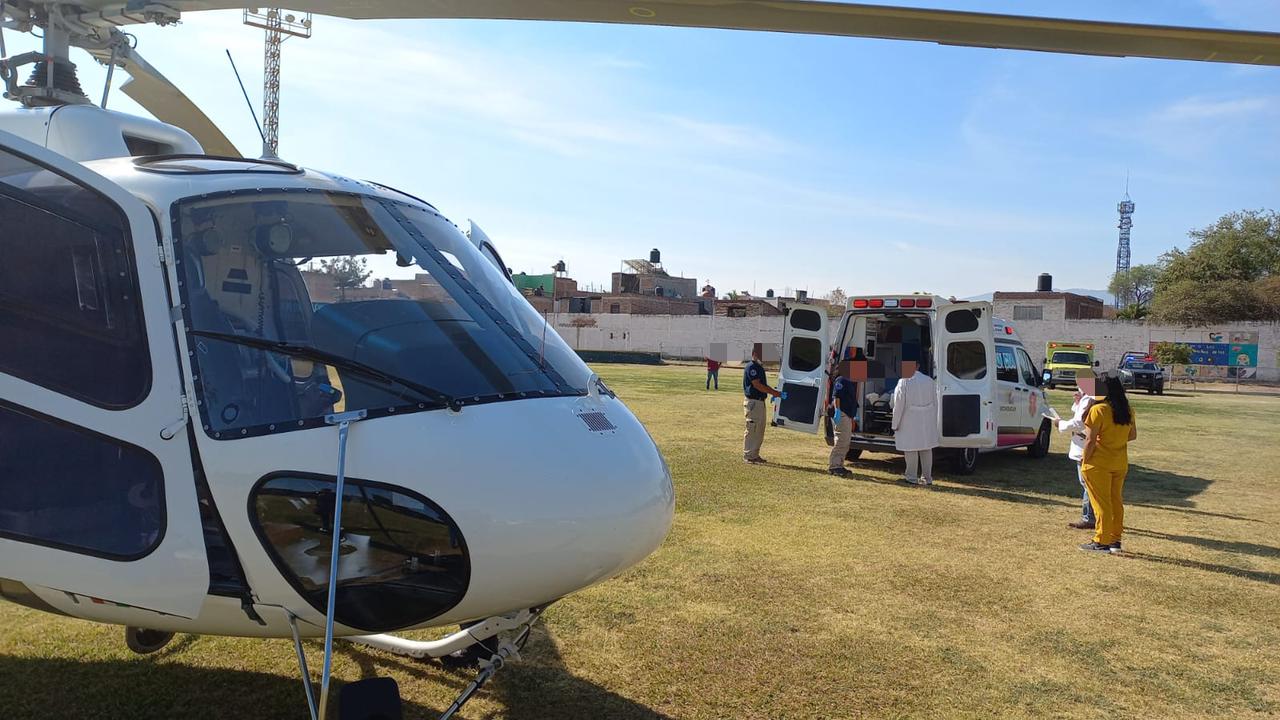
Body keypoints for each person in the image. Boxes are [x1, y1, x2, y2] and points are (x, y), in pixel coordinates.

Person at [1079, 372, 1138, 554]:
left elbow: (1089, 440)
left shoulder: (1099, 410)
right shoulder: (1127, 410)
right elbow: (1132, 435)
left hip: (1098, 464)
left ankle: (1101, 541)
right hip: (1119, 462)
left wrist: (1085, 459)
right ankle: (1114, 540)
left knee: (1101, 504)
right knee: (1115, 502)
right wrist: (1114, 440)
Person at [1054, 378, 1098, 530]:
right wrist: (1078, 403)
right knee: (1090, 483)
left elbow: (1079, 423)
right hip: (1087, 445)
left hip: (1085, 446)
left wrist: (1060, 424)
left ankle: (1089, 517)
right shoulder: (1091, 398)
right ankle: (1094, 516)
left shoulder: (1090, 398)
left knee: (1087, 484)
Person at [891, 359, 939, 485]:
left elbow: (898, 405)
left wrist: (895, 424)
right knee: (926, 448)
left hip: (909, 420)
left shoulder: (904, 381)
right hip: (926, 420)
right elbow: (935, 403)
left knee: (910, 448)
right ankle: (927, 478)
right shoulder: (929, 381)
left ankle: (911, 477)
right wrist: (934, 421)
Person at [743, 346, 782, 464]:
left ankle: (754, 454)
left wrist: (773, 392)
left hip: (760, 402)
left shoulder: (759, 367)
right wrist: (774, 393)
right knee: (752, 429)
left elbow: (762, 385)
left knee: (759, 430)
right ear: (755, 353)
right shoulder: (752, 367)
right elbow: (757, 385)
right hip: (753, 402)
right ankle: (748, 455)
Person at [828, 367, 858, 477]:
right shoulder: (841, 379)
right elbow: (837, 396)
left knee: (845, 441)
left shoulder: (848, 380)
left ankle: (839, 464)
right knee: (841, 440)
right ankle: (834, 466)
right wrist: (837, 411)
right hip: (842, 413)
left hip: (847, 414)